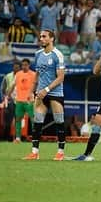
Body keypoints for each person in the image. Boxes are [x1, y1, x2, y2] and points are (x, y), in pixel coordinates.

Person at [23, 29, 66, 161]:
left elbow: (61, 78)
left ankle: (60, 152)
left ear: (51, 39)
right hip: (41, 93)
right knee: (37, 122)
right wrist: (31, 91)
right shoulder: (38, 54)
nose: (41, 38)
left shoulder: (57, 55)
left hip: (55, 93)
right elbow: (37, 74)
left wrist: (46, 89)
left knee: (59, 121)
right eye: (40, 36)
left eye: (44, 36)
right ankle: (34, 152)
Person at [10, 58, 36, 143]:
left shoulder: (33, 74)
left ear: (29, 65)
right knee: (18, 119)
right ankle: (18, 138)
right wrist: (8, 94)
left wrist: (33, 94)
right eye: (23, 65)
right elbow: (13, 85)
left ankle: (35, 138)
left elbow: (36, 85)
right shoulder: (18, 74)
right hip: (19, 100)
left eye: (26, 65)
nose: (24, 67)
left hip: (29, 101)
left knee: (33, 119)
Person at [0, 61, 21, 141]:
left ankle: (17, 138)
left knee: (18, 120)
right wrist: (4, 99)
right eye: (14, 67)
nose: (15, 68)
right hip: (9, 101)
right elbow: (2, 89)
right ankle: (5, 137)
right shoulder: (8, 76)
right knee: (7, 120)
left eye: (17, 67)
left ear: (20, 68)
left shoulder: (22, 76)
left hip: (19, 101)